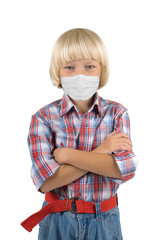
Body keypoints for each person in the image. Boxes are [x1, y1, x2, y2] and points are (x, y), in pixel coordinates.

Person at [21, 28, 138, 240]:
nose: (80, 75)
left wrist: (66, 155)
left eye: (89, 66)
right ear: (58, 71)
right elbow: (45, 182)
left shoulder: (116, 114)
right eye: (69, 67)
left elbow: (125, 170)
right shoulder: (43, 118)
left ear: (102, 70)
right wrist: (103, 150)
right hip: (56, 220)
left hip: (104, 221)